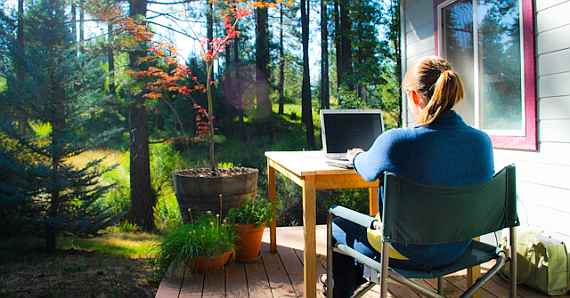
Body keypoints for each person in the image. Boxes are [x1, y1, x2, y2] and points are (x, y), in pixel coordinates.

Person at [326, 56, 494, 297]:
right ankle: (355, 278)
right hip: (459, 248)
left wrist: (355, 157)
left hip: (407, 252)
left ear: (415, 96)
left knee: (338, 222)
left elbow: (365, 170)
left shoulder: (396, 141)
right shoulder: (482, 142)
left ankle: (344, 288)